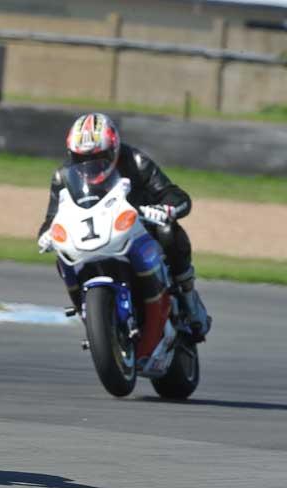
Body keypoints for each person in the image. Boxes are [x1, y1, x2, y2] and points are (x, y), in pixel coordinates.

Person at [37, 113, 211, 358]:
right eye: (82, 159)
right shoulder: (62, 177)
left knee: (169, 231)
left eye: (99, 157)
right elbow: (51, 216)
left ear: (114, 150)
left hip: (138, 228)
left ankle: (189, 298)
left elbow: (176, 196)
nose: (91, 165)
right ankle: (87, 314)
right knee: (61, 255)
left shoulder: (136, 162)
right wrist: (46, 234)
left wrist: (165, 209)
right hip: (94, 233)